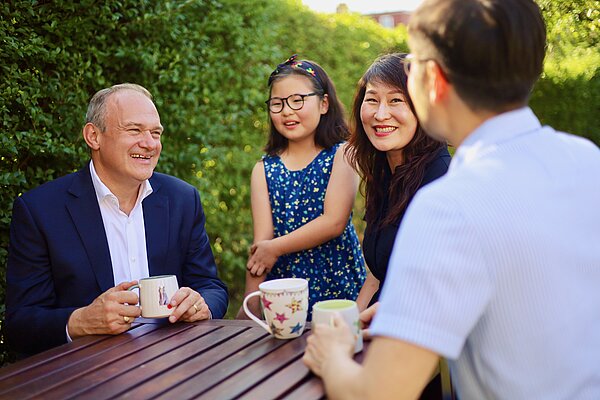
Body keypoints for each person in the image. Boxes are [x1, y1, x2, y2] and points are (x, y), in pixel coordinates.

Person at [303, 0, 600, 399]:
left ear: (433, 79)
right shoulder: (587, 160)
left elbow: (376, 394)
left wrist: (333, 355)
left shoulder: (448, 205)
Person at [6, 83, 228, 357]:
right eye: (134, 130)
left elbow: (211, 287)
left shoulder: (183, 199)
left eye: (155, 133)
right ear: (93, 136)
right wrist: (81, 321)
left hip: (172, 366)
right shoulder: (40, 210)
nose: (149, 143)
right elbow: (20, 324)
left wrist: (201, 303)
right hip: (84, 377)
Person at [237, 55, 366, 320]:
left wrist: (276, 248)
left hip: (339, 290)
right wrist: (249, 309)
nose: (286, 111)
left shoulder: (343, 154)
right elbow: (262, 245)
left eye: (297, 100)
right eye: (277, 103)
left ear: (323, 103)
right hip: (285, 299)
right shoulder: (264, 169)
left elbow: (333, 222)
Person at [346, 53, 450, 312]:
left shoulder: (441, 184)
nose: (381, 114)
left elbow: (440, 289)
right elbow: (380, 271)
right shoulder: (384, 173)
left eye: (396, 100)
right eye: (372, 100)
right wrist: (351, 321)